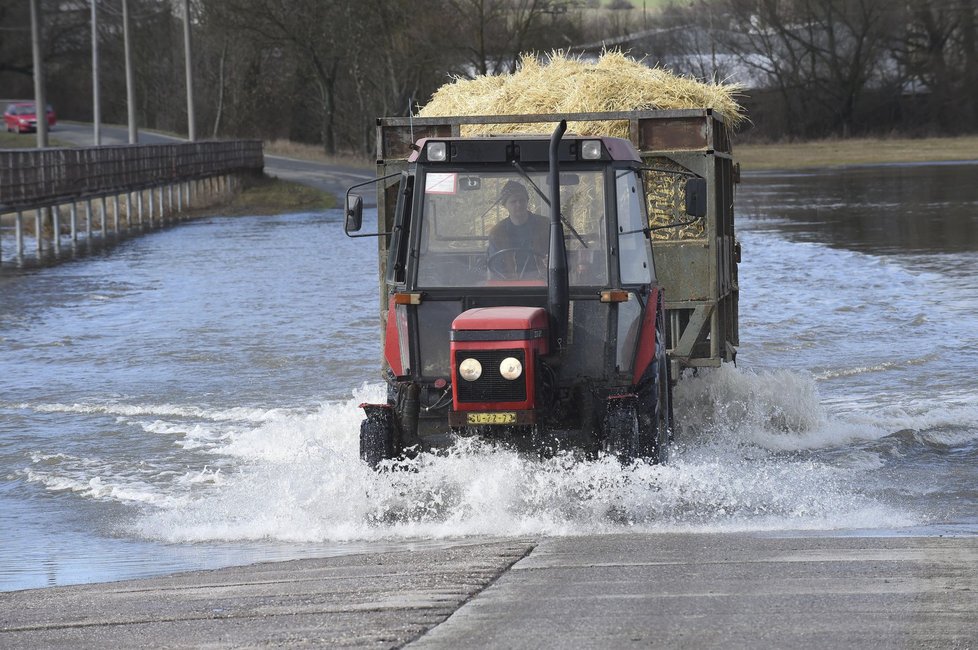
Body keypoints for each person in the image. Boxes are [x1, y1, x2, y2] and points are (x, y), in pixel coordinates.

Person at [487, 180, 550, 278]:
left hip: (543, 281)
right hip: (511, 285)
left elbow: (555, 255)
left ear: (527, 201)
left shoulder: (545, 225)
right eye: (513, 202)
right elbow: (496, 267)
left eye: (522, 200)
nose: (519, 205)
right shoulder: (496, 233)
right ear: (505, 205)